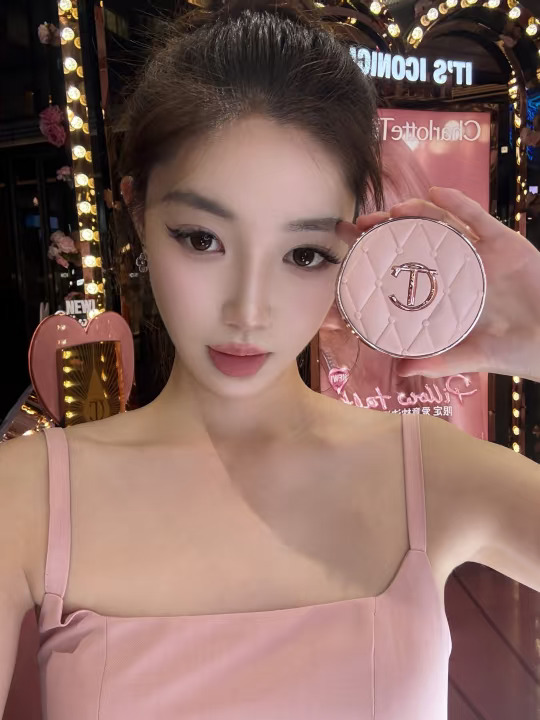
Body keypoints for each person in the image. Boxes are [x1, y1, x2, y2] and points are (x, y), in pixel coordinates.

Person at [1, 1, 539, 718]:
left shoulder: (433, 476)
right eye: (201, 239)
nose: (248, 310)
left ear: (353, 248)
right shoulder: (28, 499)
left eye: (304, 253)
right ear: (135, 211)